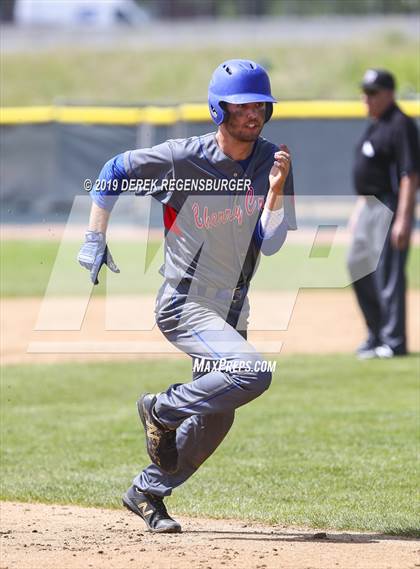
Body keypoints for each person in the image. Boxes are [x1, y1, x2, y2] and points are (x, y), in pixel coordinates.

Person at [77, 59, 296, 533]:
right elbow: (113, 169)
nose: (253, 114)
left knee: (217, 421)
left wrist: (276, 191)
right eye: (241, 106)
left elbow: (273, 242)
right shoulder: (182, 158)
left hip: (232, 309)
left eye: (260, 105)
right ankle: (161, 409)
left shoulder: (273, 163)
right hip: (184, 302)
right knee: (253, 372)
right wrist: (94, 237)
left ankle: (147, 491)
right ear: (219, 110)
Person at [348, 69, 419, 359]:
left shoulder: (401, 124)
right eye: (365, 91)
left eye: (373, 92)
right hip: (369, 207)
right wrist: (358, 210)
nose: (367, 97)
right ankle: (376, 333)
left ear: (389, 93)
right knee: (356, 265)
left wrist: (403, 218)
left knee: (388, 274)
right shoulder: (377, 124)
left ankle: (393, 341)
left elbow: (409, 174)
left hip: (389, 207)